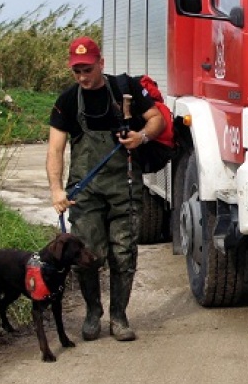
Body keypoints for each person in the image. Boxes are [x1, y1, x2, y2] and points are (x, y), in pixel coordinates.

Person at [46, 36, 165, 342]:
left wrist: (141, 137)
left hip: (125, 187)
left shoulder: (125, 89)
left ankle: (119, 317)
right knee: (88, 254)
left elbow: (157, 120)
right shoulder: (67, 100)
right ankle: (92, 312)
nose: (82, 77)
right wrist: (56, 191)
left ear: (101, 63)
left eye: (87, 70)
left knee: (123, 254)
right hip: (85, 192)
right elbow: (55, 149)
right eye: (77, 71)